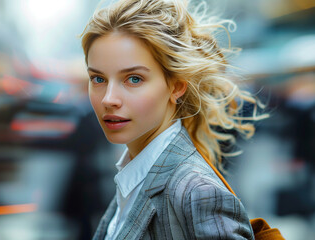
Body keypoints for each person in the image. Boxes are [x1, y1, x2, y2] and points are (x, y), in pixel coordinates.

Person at [80, 0, 270, 239]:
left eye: (134, 79)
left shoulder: (197, 192)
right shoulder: (135, 175)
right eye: (98, 79)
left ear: (176, 86)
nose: (109, 99)